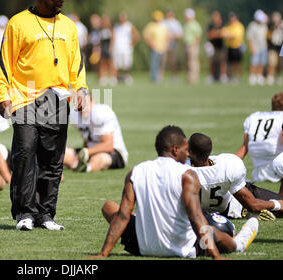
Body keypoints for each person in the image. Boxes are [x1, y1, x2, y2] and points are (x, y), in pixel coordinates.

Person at [0, 0, 88, 231]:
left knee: (52, 159)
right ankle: (24, 213)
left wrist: (81, 89)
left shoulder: (68, 26)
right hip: (24, 97)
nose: (61, 1)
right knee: (24, 153)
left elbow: (76, 62)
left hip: (56, 99)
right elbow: (5, 61)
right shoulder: (18, 23)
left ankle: (46, 214)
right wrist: (2, 95)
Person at [91, 125, 259, 259]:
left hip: (142, 247)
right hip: (181, 248)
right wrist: (216, 256)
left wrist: (103, 254)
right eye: (186, 148)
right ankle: (238, 245)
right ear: (174, 150)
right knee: (212, 231)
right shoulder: (187, 175)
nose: (188, 153)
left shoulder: (136, 171)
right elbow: (195, 217)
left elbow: (122, 216)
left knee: (109, 206)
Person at [188, 133, 283, 220]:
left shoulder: (180, 171)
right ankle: (243, 210)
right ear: (209, 151)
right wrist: (276, 204)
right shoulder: (227, 165)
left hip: (216, 211)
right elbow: (253, 204)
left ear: (189, 151)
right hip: (235, 202)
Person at [64, 93, 128, 173]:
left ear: (92, 102)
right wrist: (83, 154)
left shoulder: (100, 113)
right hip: (90, 151)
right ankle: (76, 165)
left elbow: (108, 145)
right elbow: (86, 138)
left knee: (99, 158)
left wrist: (87, 152)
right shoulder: (75, 116)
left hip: (113, 152)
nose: (83, 108)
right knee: (63, 152)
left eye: (85, 104)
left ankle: (86, 168)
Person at [236, 92, 283, 192]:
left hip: (258, 175)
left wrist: (229, 163)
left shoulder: (254, 117)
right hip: (279, 171)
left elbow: (245, 147)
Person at [112, 11, 140, 85]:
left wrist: (132, 44)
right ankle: (115, 78)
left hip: (126, 48)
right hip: (117, 47)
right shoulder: (116, 26)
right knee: (116, 64)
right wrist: (112, 46)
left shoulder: (129, 25)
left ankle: (128, 77)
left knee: (127, 64)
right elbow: (113, 36)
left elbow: (137, 35)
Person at [142, 10, 170, 83]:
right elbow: (146, 36)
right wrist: (151, 44)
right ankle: (154, 78)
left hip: (163, 48)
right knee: (154, 63)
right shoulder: (150, 25)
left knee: (162, 64)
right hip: (154, 48)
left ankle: (160, 77)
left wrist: (166, 44)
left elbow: (168, 36)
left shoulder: (163, 25)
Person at [246, 9, 268, 85]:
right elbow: (249, 38)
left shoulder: (264, 25)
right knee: (254, 62)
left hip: (263, 47)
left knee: (262, 62)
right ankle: (252, 76)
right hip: (255, 47)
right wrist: (251, 47)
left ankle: (259, 76)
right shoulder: (252, 25)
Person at [222, 12, 245, 83]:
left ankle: (239, 77)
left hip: (237, 47)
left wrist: (228, 35)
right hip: (230, 47)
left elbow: (234, 36)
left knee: (238, 63)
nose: (231, 20)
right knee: (230, 63)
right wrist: (228, 35)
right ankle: (232, 77)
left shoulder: (239, 26)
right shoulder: (228, 26)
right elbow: (223, 33)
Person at [206, 10, 227, 83]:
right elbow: (209, 35)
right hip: (212, 47)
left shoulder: (223, 25)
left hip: (221, 46)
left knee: (222, 62)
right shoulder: (211, 25)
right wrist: (218, 33)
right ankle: (212, 76)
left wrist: (216, 34)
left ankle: (222, 76)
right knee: (212, 62)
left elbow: (224, 34)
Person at [182, 8, 202, 85]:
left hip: (192, 45)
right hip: (186, 44)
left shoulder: (195, 24)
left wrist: (194, 45)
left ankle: (194, 78)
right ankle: (189, 77)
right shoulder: (186, 24)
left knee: (193, 62)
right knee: (187, 62)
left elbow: (198, 36)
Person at [98, 14, 116, 86]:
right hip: (103, 48)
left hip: (109, 48)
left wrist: (111, 48)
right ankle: (103, 77)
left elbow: (113, 39)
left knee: (110, 63)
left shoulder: (111, 29)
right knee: (103, 63)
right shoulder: (101, 30)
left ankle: (113, 78)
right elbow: (100, 41)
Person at [267, 11, 283, 85]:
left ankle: (278, 76)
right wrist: (274, 28)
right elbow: (268, 35)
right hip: (272, 46)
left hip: (281, 46)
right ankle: (270, 77)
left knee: (280, 62)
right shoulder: (270, 26)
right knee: (272, 62)